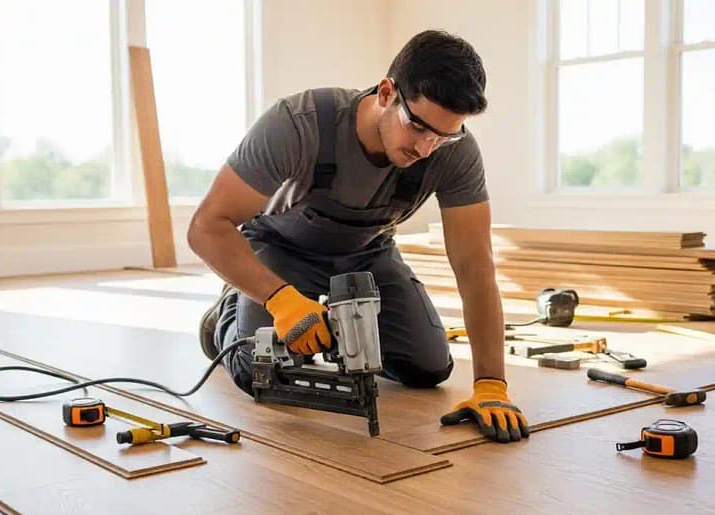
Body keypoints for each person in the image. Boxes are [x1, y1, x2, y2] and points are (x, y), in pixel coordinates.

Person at [189, 30, 529, 443]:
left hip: (368, 254)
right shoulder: (299, 124)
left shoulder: (452, 151)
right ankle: (227, 315)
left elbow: (475, 266)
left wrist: (492, 384)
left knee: (429, 369)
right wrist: (280, 299)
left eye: (444, 135)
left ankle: (336, 334)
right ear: (387, 92)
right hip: (280, 250)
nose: (426, 147)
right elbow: (206, 226)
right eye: (418, 127)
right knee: (260, 372)